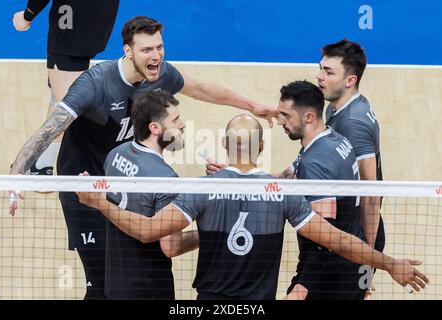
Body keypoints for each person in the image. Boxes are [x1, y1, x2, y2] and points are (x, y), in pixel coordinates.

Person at [8, 16, 277, 299]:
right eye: (147, 50)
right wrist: (16, 174)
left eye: (159, 47)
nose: (156, 56)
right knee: (100, 281)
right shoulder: (96, 83)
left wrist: (252, 105)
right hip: (83, 187)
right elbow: (50, 129)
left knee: (126, 273)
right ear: (128, 51)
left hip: (122, 179)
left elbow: (199, 89)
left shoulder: (160, 74)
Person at [77, 114, 429, 300]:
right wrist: (388, 263)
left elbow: (145, 231)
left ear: (225, 145)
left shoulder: (199, 191)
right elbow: (338, 240)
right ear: (261, 148)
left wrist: (99, 203)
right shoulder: (283, 194)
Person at [94, 90, 198, 299]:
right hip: (149, 289)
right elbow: (171, 246)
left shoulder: (115, 154)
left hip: (115, 282)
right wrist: (208, 234)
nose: (183, 124)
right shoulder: (165, 179)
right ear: (155, 128)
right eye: (175, 120)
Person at [275, 80, 367, 300]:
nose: (280, 121)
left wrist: (302, 287)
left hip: (329, 277)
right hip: (353, 262)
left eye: (286, 116)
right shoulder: (332, 139)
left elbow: (323, 240)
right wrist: (239, 176)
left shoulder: (315, 162)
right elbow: (288, 175)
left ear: (308, 117)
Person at [13, 0, 120, 175]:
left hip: (81, 33)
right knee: (70, 113)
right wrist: (28, 15)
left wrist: (27, 16)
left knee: (62, 107)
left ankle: (38, 165)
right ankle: (35, 164)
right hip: (73, 38)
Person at [316, 39, 385, 294]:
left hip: (359, 237)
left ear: (350, 80)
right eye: (321, 68)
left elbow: (371, 195)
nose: (319, 76)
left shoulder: (353, 123)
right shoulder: (338, 106)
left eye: (328, 72)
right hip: (349, 231)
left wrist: (367, 259)